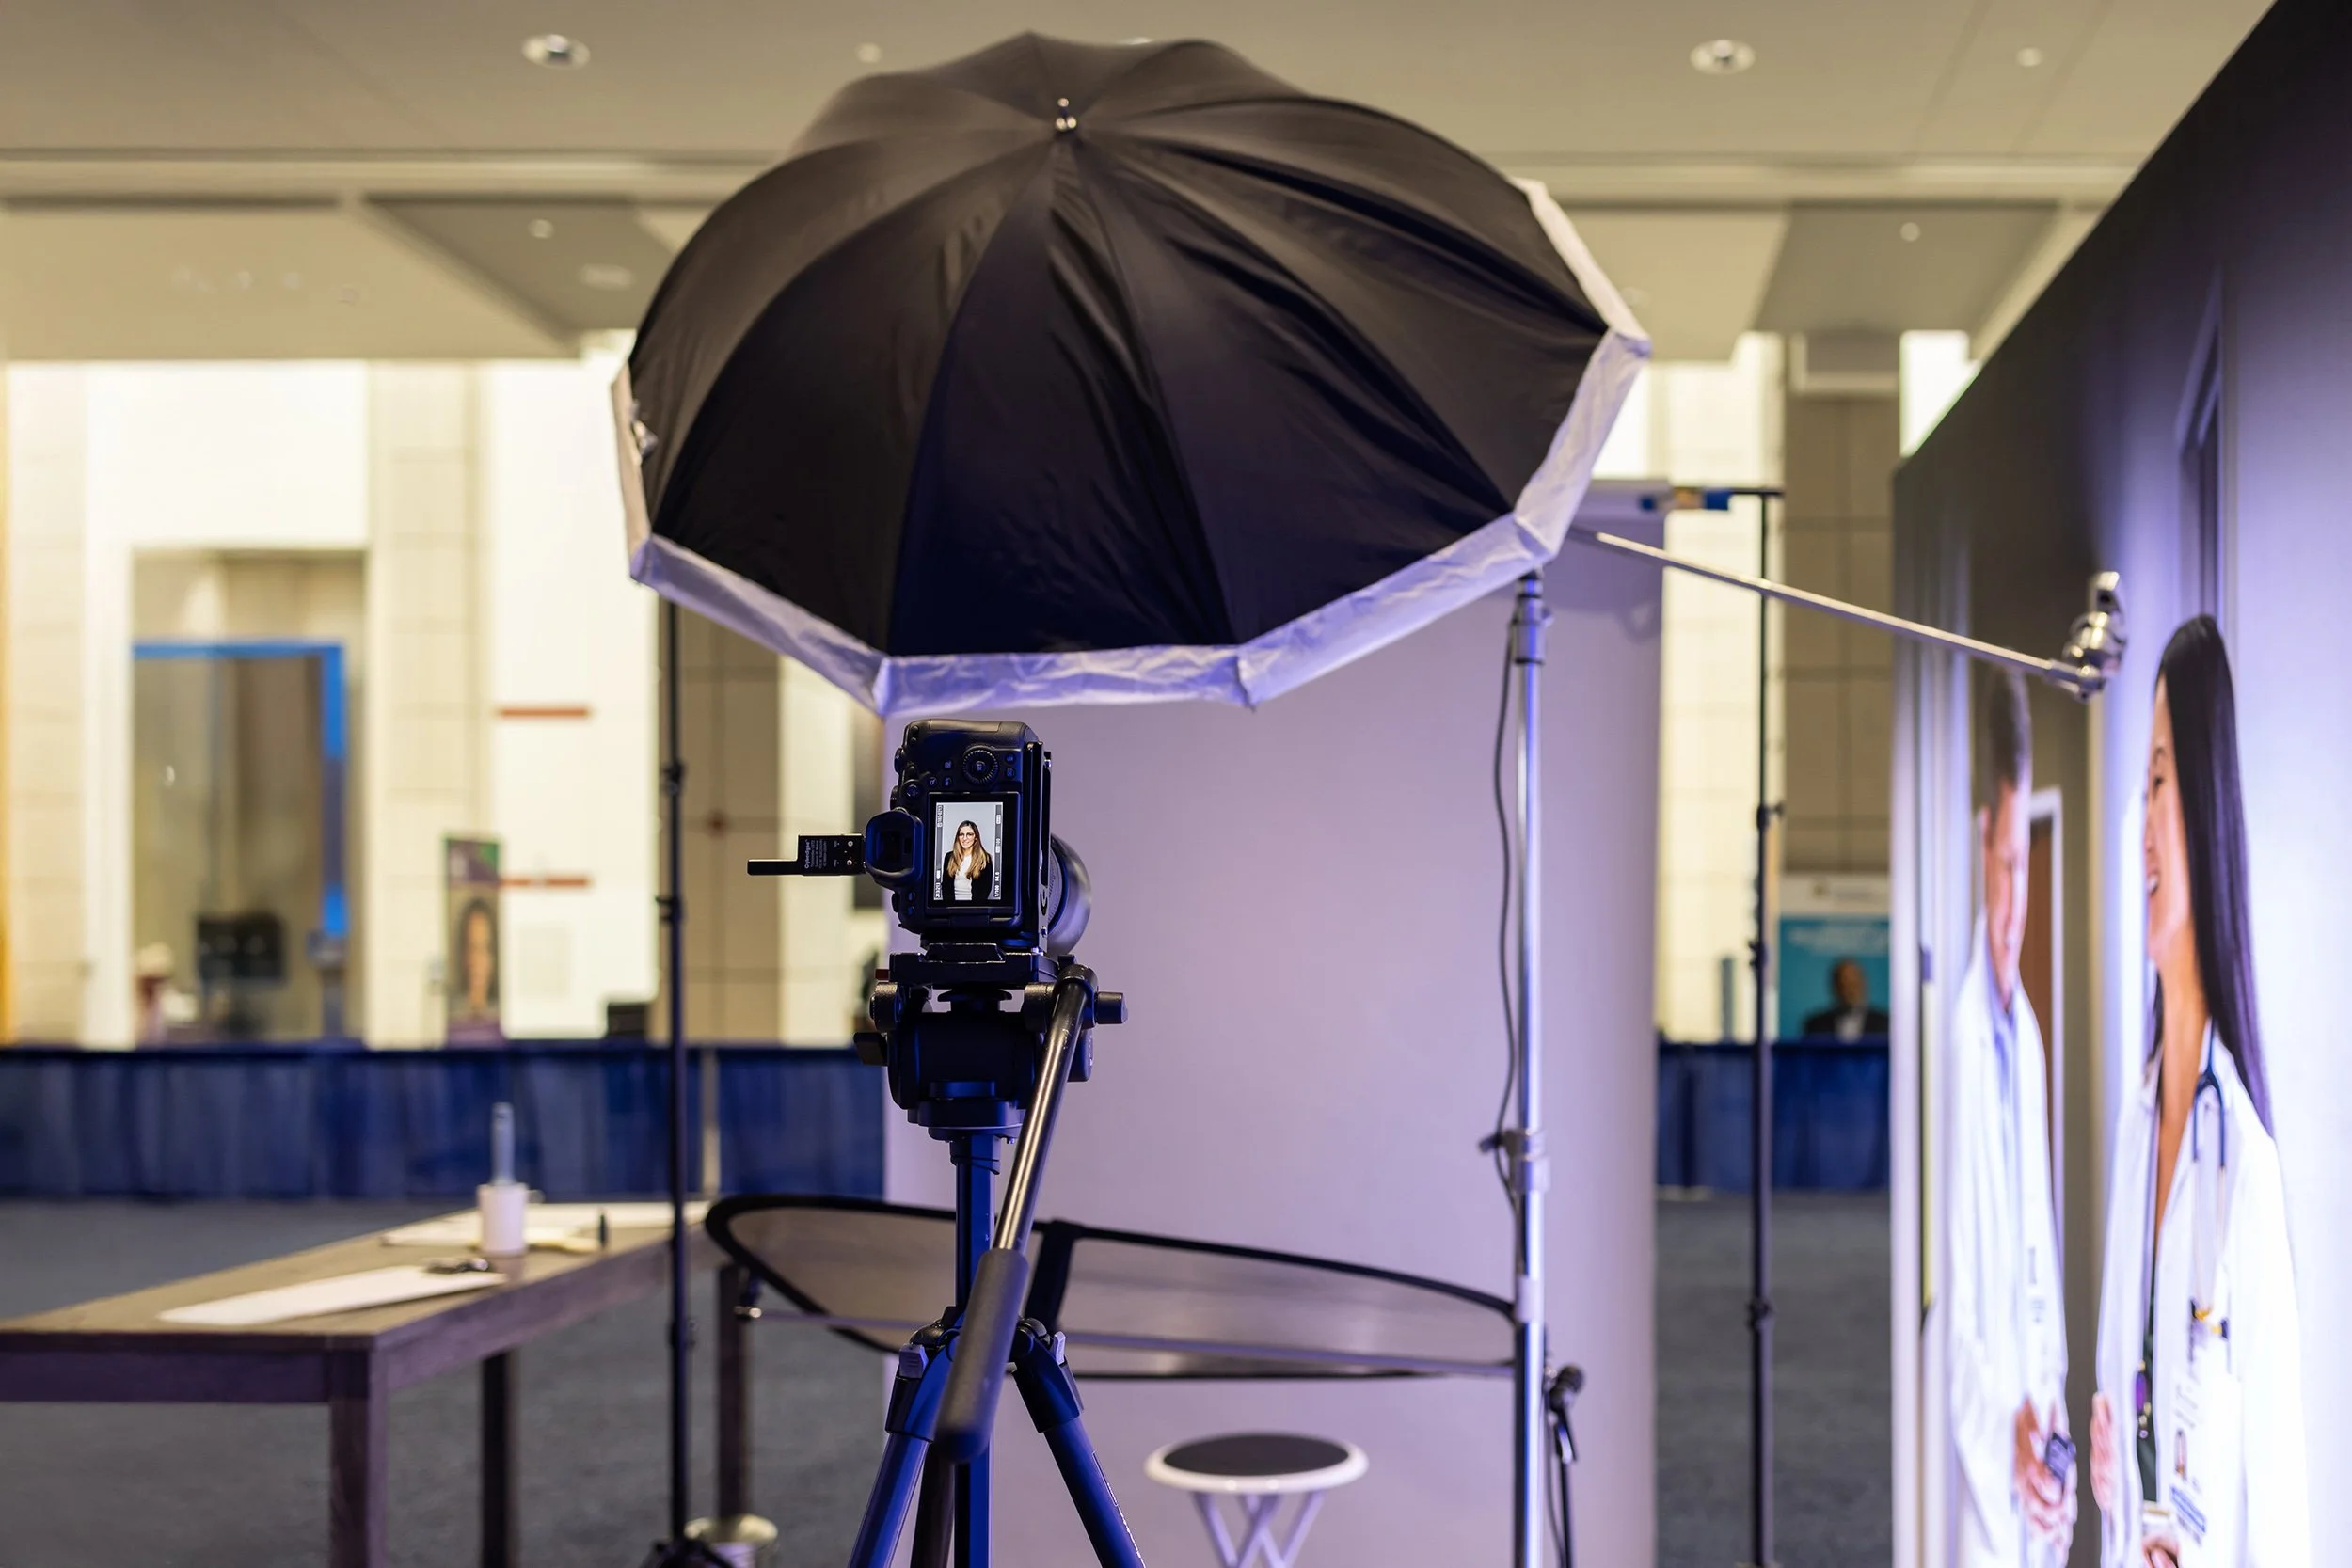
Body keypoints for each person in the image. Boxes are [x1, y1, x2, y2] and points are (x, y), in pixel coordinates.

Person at [2087, 618, 2307, 1568]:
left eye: (2160, 780)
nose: (2140, 819)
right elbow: (2137, 1431)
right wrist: (2112, 1487)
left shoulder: (2243, 1166)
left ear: (2207, 808)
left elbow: (2282, 1523)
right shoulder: (2139, 1126)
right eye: (2140, 784)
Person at [1949, 669, 2073, 1565]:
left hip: (2034, 1430)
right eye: (2003, 865)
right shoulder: (1961, 1042)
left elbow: (2036, 1252)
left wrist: (2050, 1404)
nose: (2014, 899)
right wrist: (2008, 1425)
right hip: (1983, 1435)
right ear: (1978, 849)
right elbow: (1962, 1299)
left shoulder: (2022, 1039)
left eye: (2025, 867)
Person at [1802, 958, 1889, 1040]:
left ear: (1864, 985)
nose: (1850, 991)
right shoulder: (1815, 1025)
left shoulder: (1885, 1023)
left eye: (1854, 984)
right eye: (1843, 985)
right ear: (1834, 988)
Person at [940, 818, 993, 903]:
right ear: (958, 837)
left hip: (974, 909)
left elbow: (985, 889)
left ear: (975, 837)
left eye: (969, 834)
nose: (965, 838)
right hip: (952, 909)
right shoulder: (949, 857)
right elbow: (945, 886)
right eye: (961, 835)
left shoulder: (985, 859)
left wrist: (972, 908)